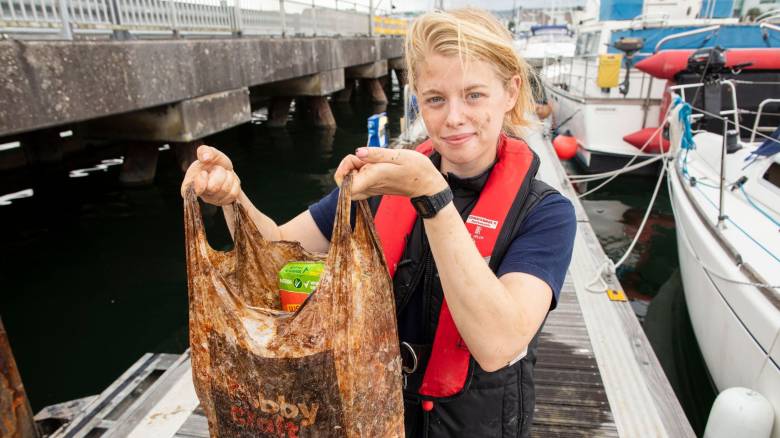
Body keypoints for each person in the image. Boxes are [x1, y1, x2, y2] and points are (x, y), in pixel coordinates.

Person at [181, 8, 576, 438]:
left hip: (477, 423)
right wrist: (233, 198)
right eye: (435, 99)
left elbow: (499, 345)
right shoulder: (382, 187)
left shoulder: (546, 213)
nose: (454, 117)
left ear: (510, 91)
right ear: (417, 99)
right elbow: (275, 248)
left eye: (474, 95)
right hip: (374, 413)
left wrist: (432, 197)